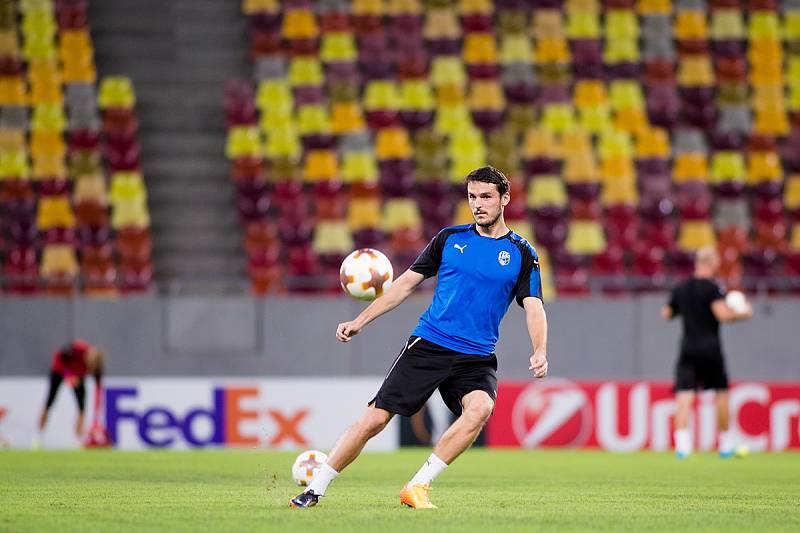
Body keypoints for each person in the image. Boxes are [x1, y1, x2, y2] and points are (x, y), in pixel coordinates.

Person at [290, 166, 549, 509]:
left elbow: (533, 307)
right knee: (376, 418)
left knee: (480, 409)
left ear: (505, 199)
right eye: (472, 196)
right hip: (430, 344)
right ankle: (315, 489)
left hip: (476, 355)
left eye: (486, 196)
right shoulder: (449, 239)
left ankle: (417, 486)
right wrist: (361, 320)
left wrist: (540, 350)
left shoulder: (522, 253)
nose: (478, 204)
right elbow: (404, 285)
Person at [661, 247, 753, 459]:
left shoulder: (681, 288)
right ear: (712, 263)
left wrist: (685, 310)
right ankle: (725, 445)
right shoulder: (713, 288)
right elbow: (722, 315)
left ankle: (682, 447)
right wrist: (744, 312)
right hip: (710, 348)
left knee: (684, 396)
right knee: (721, 394)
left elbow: (666, 314)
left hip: (687, 348)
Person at [33, 339, 105, 448]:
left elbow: (98, 391)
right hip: (59, 371)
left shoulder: (97, 368)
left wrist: (96, 419)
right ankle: (38, 436)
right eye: (90, 365)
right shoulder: (76, 349)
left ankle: (78, 440)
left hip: (78, 377)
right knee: (49, 402)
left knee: (82, 408)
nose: (90, 369)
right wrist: (68, 376)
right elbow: (58, 358)